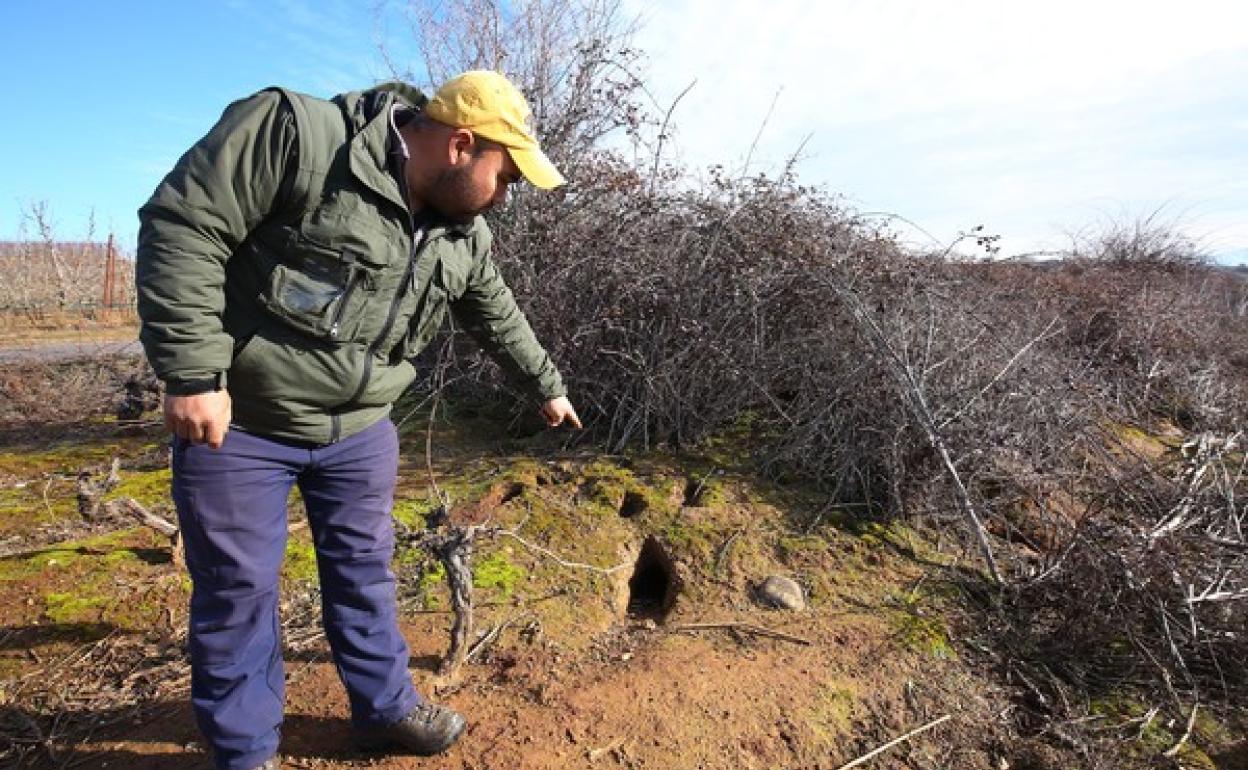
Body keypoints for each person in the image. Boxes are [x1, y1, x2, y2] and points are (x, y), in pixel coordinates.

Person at [136, 70, 581, 770]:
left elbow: (494, 310)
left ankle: (382, 709)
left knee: (365, 574)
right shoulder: (299, 137)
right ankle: (246, 752)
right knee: (239, 594)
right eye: (506, 177)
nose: (506, 197)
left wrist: (545, 386)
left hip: (360, 432)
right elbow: (185, 224)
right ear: (462, 146)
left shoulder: (462, 234)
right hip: (245, 425)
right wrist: (192, 372)